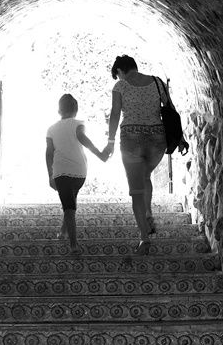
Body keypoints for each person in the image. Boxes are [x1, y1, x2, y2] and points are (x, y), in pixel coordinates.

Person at [102, 55, 188, 255]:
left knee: (136, 191)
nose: (119, 78)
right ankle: (148, 213)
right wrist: (180, 138)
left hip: (131, 139)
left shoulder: (120, 86)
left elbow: (115, 113)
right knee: (145, 176)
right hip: (157, 141)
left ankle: (144, 238)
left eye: (118, 75)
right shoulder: (157, 82)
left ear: (120, 71)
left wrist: (110, 142)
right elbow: (171, 110)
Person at [46, 94, 109, 254]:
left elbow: (49, 153)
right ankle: (63, 231)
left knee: (69, 206)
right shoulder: (78, 123)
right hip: (79, 172)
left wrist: (50, 175)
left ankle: (73, 245)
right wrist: (100, 154)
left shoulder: (51, 129)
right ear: (76, 109)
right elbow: (83, 139)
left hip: (61, 172)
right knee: (70, 202)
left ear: (59, 110)